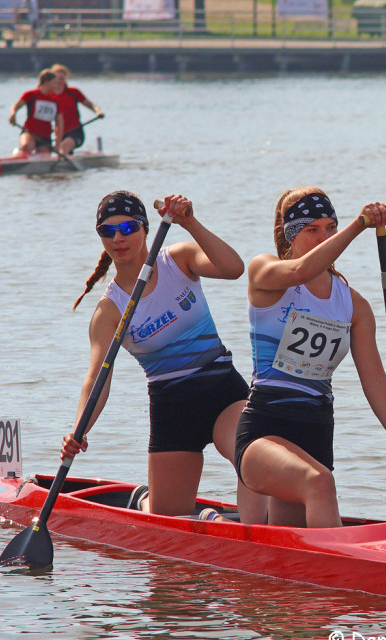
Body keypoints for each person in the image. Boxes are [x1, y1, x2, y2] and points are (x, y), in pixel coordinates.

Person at [61, 192, 268, 524]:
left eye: (127, 227)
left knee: (253, 458)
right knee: (165, 518)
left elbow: (233, 268)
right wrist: (78, 431)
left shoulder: (180, 260)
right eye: (107, 231)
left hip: (221, 391)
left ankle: (257, 530)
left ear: (145, 228)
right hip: (172, 410)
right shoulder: (109, 310)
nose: (118, 238)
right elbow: (97, 377)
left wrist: (189, 222)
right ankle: (149, 501)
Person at [234, 187, 386, 528]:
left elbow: (375, 379)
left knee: (289, 545)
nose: (324, 236)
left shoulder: (354, 305)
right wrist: (359, 225)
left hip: (316, 433)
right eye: (312, 229)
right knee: (319, 483)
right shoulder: (267, 273)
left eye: (330, 228)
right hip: (264, 432)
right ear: (291, 235)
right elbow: (299, 273)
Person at [49, 64, 105, 156]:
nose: (59, 81)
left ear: (65, 80)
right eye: (57, 78)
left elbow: (90, 104)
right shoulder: (49, 95)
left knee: (64, 147)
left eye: (62, 79)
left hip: (75, 132)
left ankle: (63, 159)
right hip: (58, 134)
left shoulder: (73, 92)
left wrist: (98, 112)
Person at [8, 69, 62, 156]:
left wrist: (58, 144)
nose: (57, 86)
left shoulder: (55, 101)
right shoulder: (31, 95)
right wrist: (13, 114)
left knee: (44, 156)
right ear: (46, 82)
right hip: (30, 132)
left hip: (45, 137)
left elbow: (59, 124)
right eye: (54, 83)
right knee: (26, 146)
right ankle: (20, 155)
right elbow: (15, 106)